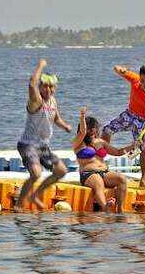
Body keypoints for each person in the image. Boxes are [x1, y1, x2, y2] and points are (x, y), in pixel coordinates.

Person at [102, 64, 145, 187]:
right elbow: (116, 68)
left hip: (144, 121)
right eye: (142, 80)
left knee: (142, 148)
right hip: (129, 114)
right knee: (106, 130)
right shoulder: (135, 79)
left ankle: (143, 178)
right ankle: (100, 162)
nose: (144, 84)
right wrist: (121, 69)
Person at [16, 59, 72, 210]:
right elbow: (31, 84)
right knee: (36, 173)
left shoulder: (53, 101)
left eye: (51, 86)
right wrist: (41, 66)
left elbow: (56, 119)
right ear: (40, 87)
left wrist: (65, 126)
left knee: (61, 171)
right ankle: (19, 205)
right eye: (45, 86)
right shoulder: (36, 101)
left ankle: (35, 195)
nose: (48, 89)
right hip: (28, 144)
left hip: (43, 146)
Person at [73, 107, 136, 212]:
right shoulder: (78, 143)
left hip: (104, 173)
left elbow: (118, 152)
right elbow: (82, 133)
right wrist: (82, 116)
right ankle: (105, 206)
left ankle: (120, 209)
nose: (92, 130)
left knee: (122, 179)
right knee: (99, 183)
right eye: (90, 128)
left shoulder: (100, 142)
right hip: (88, 174)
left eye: (94, 128)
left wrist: (132, 146)